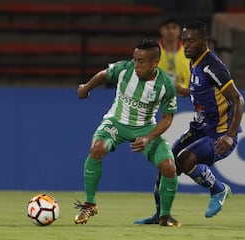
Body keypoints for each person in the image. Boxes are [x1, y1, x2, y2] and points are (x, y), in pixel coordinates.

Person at [134, 20, 245, 224]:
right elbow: (191, 91)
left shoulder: (213, 66)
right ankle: (160, 215)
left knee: (186, 160)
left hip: (218, 133)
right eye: (184, 41)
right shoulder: (195, 62)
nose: (186, 45)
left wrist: (229, 135)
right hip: (200, 128)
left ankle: (219, 190)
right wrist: (170, 84)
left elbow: (238, 100)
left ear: (205, 41)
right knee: (167, 163)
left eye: (191, 41)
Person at [74, 39, 181, 227]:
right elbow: (104, 74)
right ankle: (89, 204)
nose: (136, 64)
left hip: (145, 127)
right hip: (116, 122)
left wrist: (149, 137)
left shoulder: (165, 85)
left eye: (141, 61)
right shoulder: (125, 69)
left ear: (155, 63)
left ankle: (164, 216)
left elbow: (167, 118)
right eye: (135, 59)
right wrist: (86, 88)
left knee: (169, 167)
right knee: (97, 148)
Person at [158, 16, 190, 88]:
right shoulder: (152, 51)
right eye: (167, 28)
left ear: (180, 31)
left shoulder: (188, 51)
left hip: (183, 95)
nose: (171, 31)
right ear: (161, 30)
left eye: (174, 28)